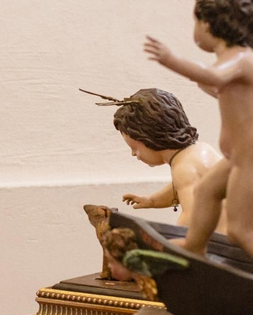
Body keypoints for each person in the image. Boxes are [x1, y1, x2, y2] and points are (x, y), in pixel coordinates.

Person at [143, 0, 253, 283]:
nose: (195, 30)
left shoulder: (242, 59)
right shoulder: (236, 63)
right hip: (240, 158)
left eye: (196, 22)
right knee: (207, 190)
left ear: (210, 23)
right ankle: (195, 246)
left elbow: (215, 78)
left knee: (241, 229)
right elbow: (220, 88)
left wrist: (171, 60)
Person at [85, 87, 231, 236]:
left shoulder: (184, 168)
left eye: (135, 148)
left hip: (218, 245)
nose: (133, 154)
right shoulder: (200, 150)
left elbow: (194, 217)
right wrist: (152, 200)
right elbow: (180, 188)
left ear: (149, 137)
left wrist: (175, 241)